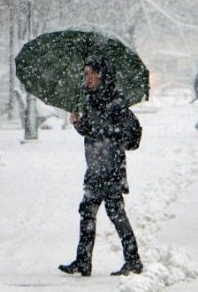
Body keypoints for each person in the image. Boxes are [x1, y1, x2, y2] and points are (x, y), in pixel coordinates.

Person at [59, 57, 143, 277]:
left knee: (115, 212)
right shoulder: (92, 99)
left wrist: (106, 134)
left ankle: (133, 260)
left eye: (90, 74)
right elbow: (91, 130)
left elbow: (129, 134)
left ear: (101, 75)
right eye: (85, 74)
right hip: (95, 166)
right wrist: (78, 123)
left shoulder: (115, 101)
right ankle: (83, 261)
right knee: (87, 211)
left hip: (111, 167)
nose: (87, 78)